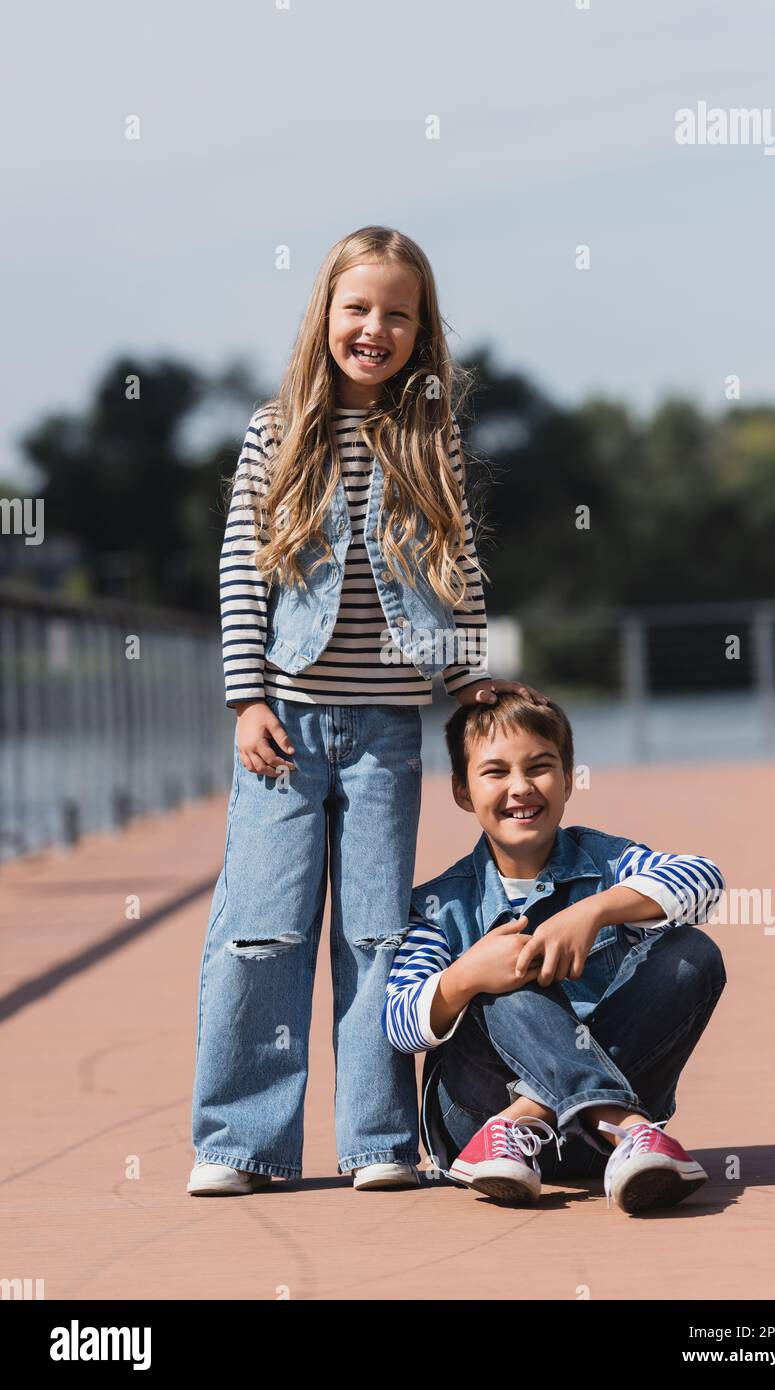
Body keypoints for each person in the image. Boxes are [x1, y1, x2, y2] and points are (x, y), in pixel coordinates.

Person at [188, 226, 549, 1197]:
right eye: (358, 308)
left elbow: (461, 570)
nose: (375, 328)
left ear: (421, 329)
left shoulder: (430, 438)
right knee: (262, 929)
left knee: (377, 934)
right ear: (326, 316)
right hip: (288, 727)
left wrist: (472, 676)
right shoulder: (277, 431)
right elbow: (238, 573)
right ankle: (237, 1143)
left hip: (387, 729)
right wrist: (245, 696)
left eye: (398, 313)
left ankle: (378, 1137)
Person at [382, 692, 727, 1213]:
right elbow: (398, 1022)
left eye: (540, 768)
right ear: (461, 790)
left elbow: (706, 879)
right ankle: (619, 1127)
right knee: (500, 975)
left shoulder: (605, 860)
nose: (520, 788)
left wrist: (593, 912)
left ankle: (533, 1114)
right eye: (495, 772)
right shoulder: (439, 904)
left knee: (691, 953)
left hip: (593, 1150)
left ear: (568, 779)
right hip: (481, 1131)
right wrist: (464, 977)